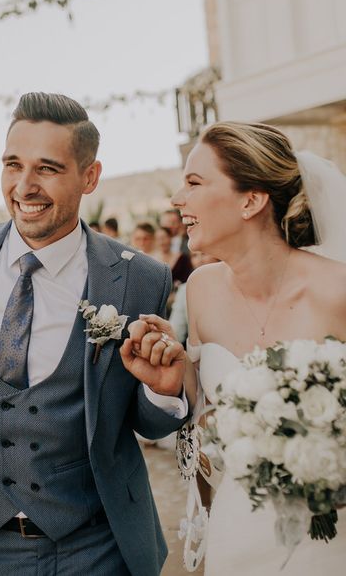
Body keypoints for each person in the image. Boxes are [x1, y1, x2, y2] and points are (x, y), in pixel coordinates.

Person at [0, 92, 187, 576]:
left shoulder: (140, 278)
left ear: (89, 177)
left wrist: (162, 391)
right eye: (13, 165)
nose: (24, 186)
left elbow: (147, 424)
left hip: (97, 546)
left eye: (47, 169)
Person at [133, 121, 346, 574]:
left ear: (251, 200)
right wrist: (177, 382)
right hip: (238, 528)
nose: (177, 200)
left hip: (331, 537)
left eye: (193, 182)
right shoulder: (201, 289)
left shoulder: (337, 291)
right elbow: (209, 413)